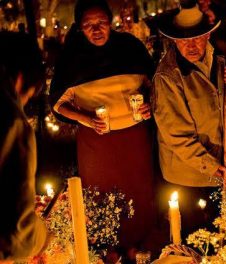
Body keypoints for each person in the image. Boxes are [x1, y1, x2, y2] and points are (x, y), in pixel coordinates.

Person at [49, 0, 156, 254]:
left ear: (111, 22)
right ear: (79, 29)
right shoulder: (72, 59)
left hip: (134, 137)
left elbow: (155, 85)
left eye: (101, 24)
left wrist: (150, 105)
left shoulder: (131, 48)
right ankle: (108, 248)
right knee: (101, 193)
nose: (96, 30)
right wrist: (85, 119)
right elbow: (58, 104)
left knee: (139, 190)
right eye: (88, 26)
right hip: (97, 142)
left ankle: (140, 245)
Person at [152, 0, 226, 234]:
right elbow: (176, 135)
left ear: (208, 35)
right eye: (184, 40)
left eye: (197, 37)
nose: (191, 46)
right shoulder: (168, 76)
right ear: (174, 40)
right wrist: (211, 166)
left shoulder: (221, 59)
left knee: (225, 241)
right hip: (190, 176)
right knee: (194, 241)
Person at [0, 32, 49, 261]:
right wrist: (42, 235)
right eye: (27, 97)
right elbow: (15, 240)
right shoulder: (11, 122)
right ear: (20, 79)